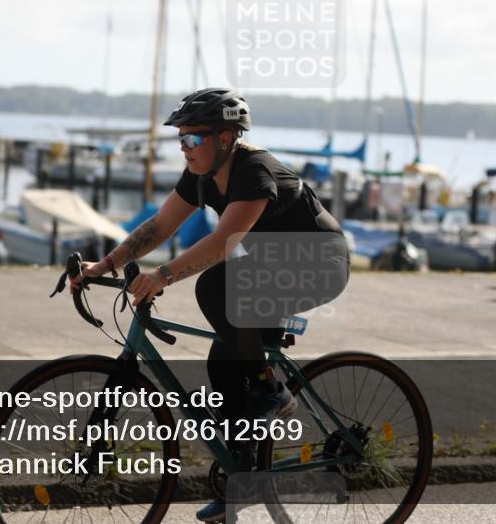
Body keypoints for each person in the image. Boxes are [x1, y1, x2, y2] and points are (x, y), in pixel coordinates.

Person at [71, 88, 349, 521]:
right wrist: (105, 264)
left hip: (319, 263)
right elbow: (160, 225)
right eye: (180, 139)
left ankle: (271, 389)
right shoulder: (200, 174)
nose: (185, 148)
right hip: (269, 267)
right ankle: (243, 480)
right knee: (222, 364)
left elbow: (223, 243)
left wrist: (162, 276)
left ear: (225, 138)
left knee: (217, 285)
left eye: (193, 138)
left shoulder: (253, 170)